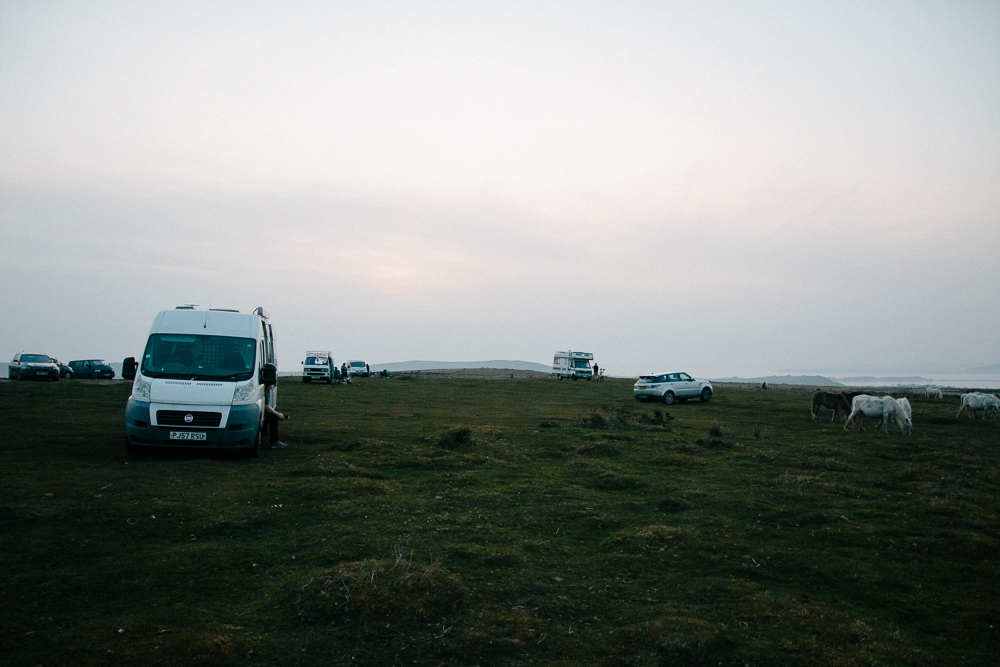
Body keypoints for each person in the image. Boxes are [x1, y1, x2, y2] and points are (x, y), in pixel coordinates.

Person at [263, 378, 288, 449]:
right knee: (273, 418)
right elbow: (267, 407)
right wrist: (277, 414)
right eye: (270, 385)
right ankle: (274, 442)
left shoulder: (266, 391)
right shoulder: (264, 391)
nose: (271, 387)